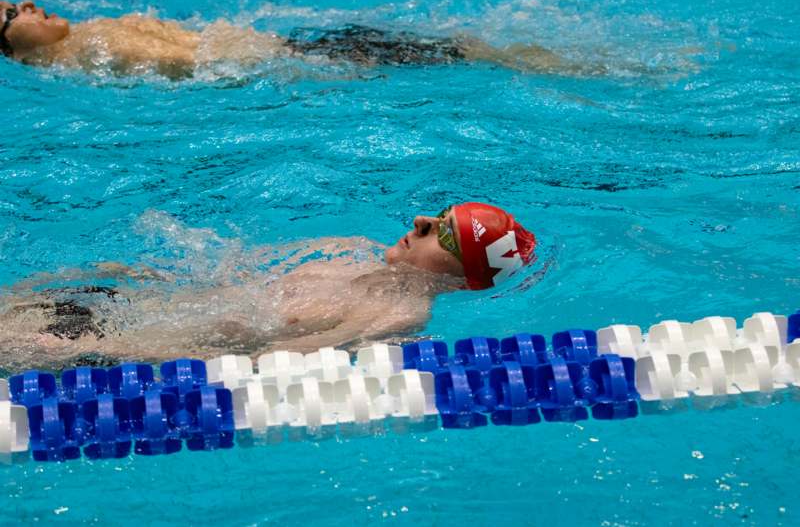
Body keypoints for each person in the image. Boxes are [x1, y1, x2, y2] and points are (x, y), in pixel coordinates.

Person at [0, 203, 536, 372]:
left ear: (465, 280)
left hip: (116, 350)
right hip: (125, 305)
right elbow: (226, 277)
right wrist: (135, 277)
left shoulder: (396, 321)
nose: (420, 220)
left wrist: (108, 352)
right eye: (435, 215)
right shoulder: (347, 246)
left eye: (443, 231)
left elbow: (263, 361)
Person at [0, 0, 574, 78]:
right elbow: (205, 69)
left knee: (462, 47)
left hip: (294, 45)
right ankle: (579, 69)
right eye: (10, 13)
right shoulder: (81, 58)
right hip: (300, 60)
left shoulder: (86, 40)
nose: (27, 3)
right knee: (468, 52)